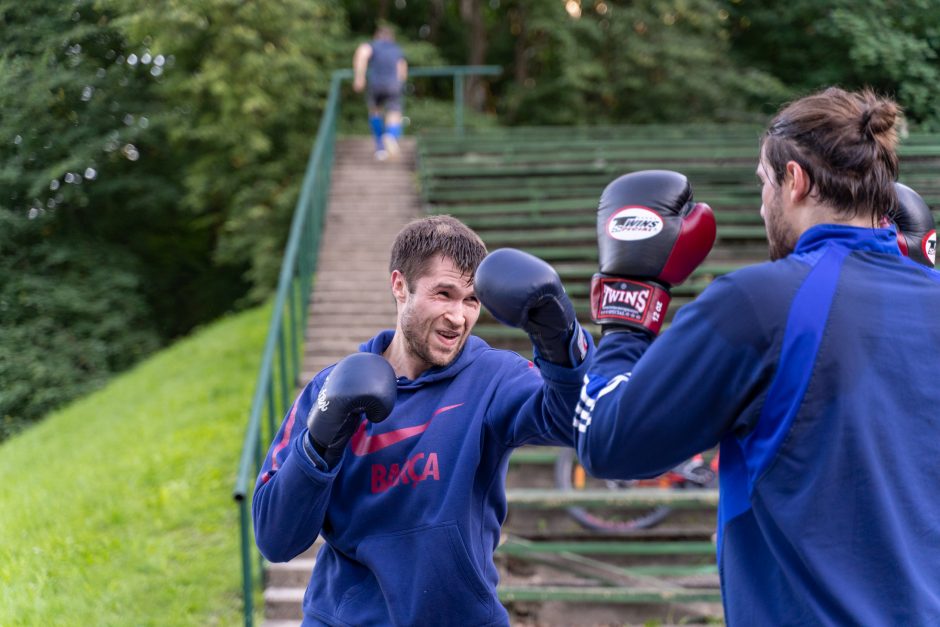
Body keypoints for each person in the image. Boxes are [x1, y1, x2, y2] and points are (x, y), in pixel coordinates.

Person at [573, 87, 940, 625]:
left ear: (794, 181)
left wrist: (628, 306)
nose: (762, 203)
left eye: (763, 184)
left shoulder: (761, 302)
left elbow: (610, 443)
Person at [252, 215, 600, 626]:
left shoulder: (492, 376)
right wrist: (319, 443)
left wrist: (561, 338)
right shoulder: (329, 388)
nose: (459, 317)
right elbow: (276, 539)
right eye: (443, 294)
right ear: (400, 285)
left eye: (470, 300)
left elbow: (578, 421)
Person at [353, 25, 407, 162]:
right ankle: (391, 136)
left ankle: (380, 148)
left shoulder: (373, 45)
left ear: (377, 36)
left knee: (375, 111)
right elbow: (402, 69)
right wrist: (400, 83)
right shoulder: (396, 49)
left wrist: (359, 77)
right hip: (394, 85)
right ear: (391, 37)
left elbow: (362, 53)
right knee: (394, 113)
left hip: (376, 85)